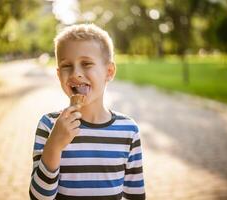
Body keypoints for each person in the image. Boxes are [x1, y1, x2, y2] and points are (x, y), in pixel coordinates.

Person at [29, 23, 146, 200]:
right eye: (67, 65)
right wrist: (54, 145)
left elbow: (135, 195)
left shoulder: (128, 130)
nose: (76, 73)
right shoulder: (49, 125)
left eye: (86, 63)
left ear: (109, 71)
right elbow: (39, 198)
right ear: (59, 75)